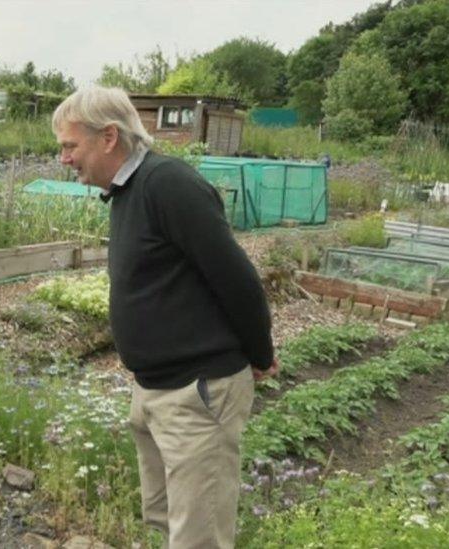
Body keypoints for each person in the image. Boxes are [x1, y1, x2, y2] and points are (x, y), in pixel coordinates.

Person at [52, 87, 279, 549]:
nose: (64, 158)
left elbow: (237, 279)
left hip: (197, 393)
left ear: (108, 137)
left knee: (200, 537)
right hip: (155, 390)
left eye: (69, 146)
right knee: (165, 518)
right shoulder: (127, 192)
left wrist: (260, 352)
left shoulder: (167, 184)